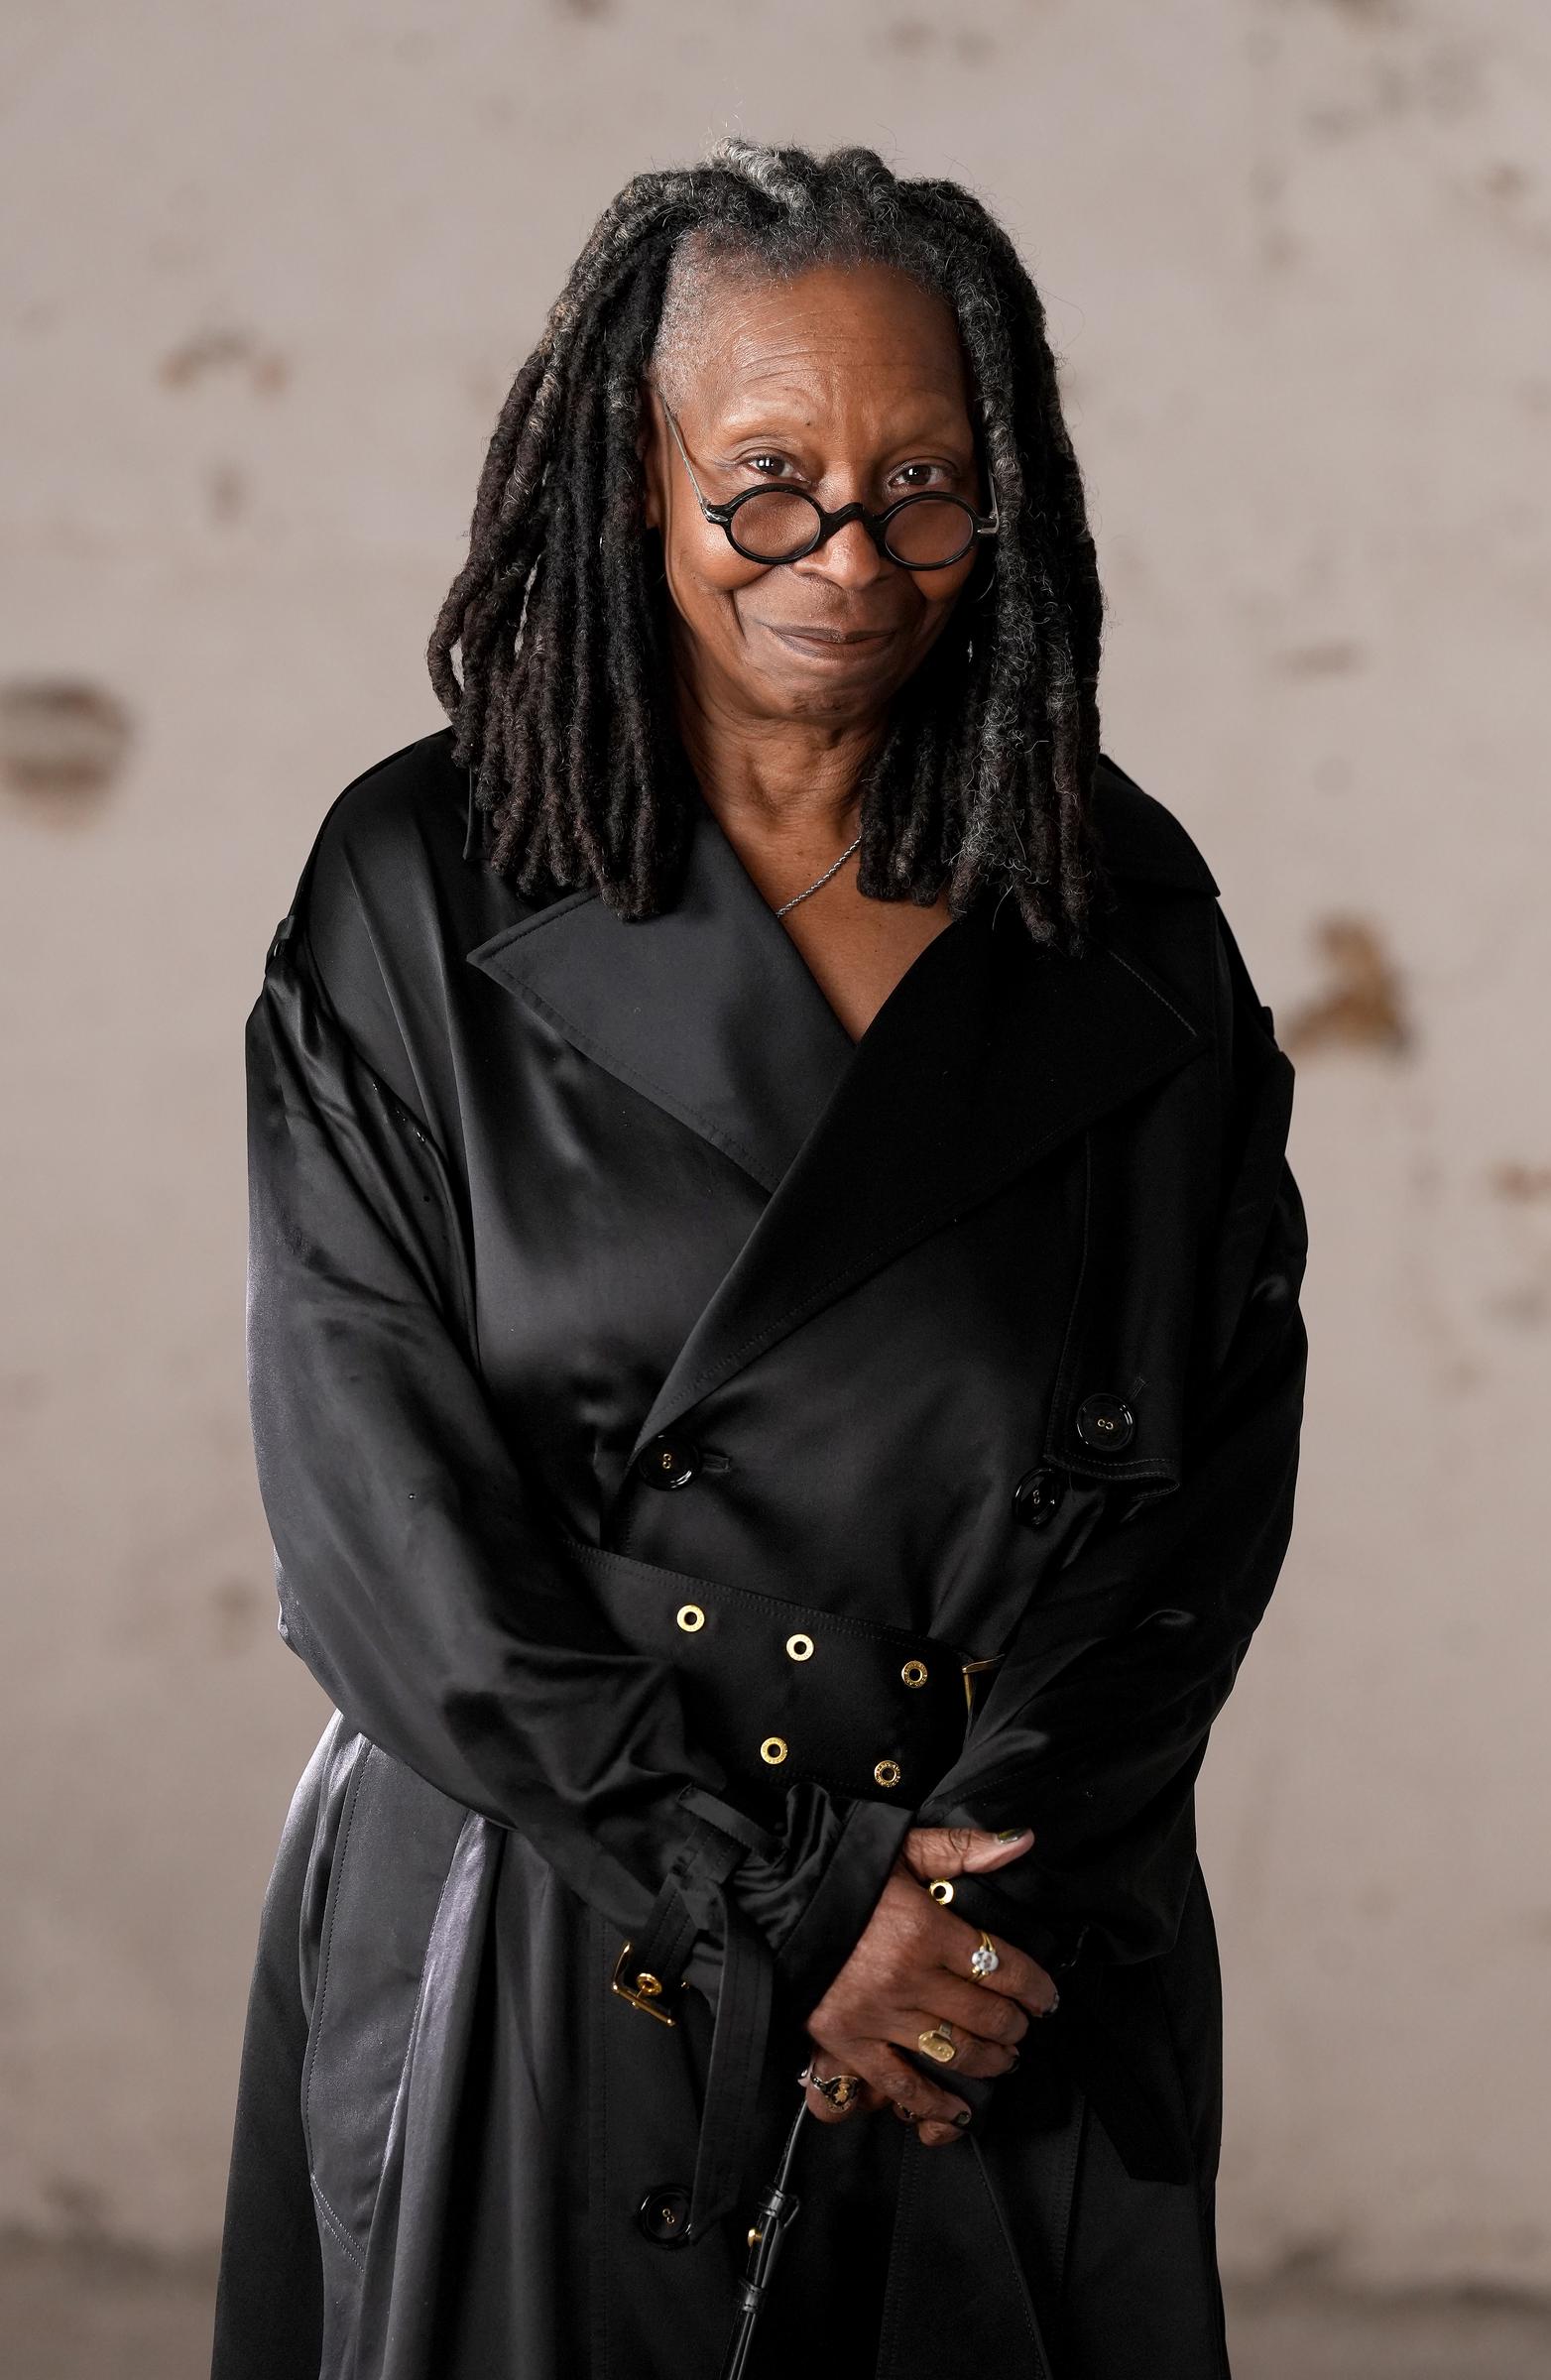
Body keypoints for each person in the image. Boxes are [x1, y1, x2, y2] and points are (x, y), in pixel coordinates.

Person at [210, 138, 1307, 2380]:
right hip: (555, 1902)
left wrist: (966, 1872)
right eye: (770, 482)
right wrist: (784, 1899)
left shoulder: (1115, 909)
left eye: (925, 484)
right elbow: (373, 1518)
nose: (854, 557)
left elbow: (1200, 1471)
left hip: (989, 1939)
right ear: (633, 473)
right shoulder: (417, 883)